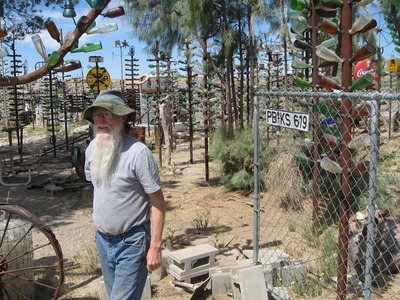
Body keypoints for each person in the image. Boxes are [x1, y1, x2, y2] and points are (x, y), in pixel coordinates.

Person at [83, 90, 166, 300]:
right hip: (103, 241)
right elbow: (98, 189)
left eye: (107, 114)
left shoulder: (138, 153)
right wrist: (99, 225)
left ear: (122, 118)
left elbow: (157, 201)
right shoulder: (93, 149)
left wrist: (155, 246)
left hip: (132, 242)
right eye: (96, 115)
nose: (100, 120)